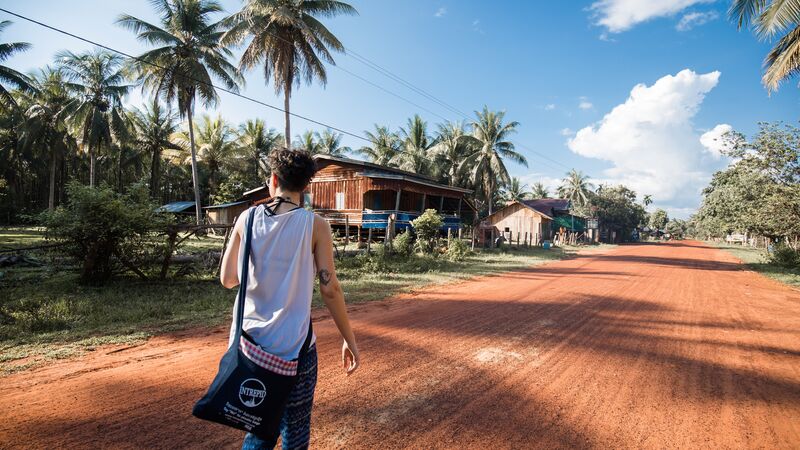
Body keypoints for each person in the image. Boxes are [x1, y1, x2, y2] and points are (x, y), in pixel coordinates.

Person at [219, 148, 360, 450]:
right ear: (306, 187)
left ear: (272, 180)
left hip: (251, 347)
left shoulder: (247, 218)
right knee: (295, 431)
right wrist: (349, 339)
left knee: (259, 430)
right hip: (295, 350)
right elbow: (329, 288)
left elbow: (228, 279)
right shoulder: (316, 225)